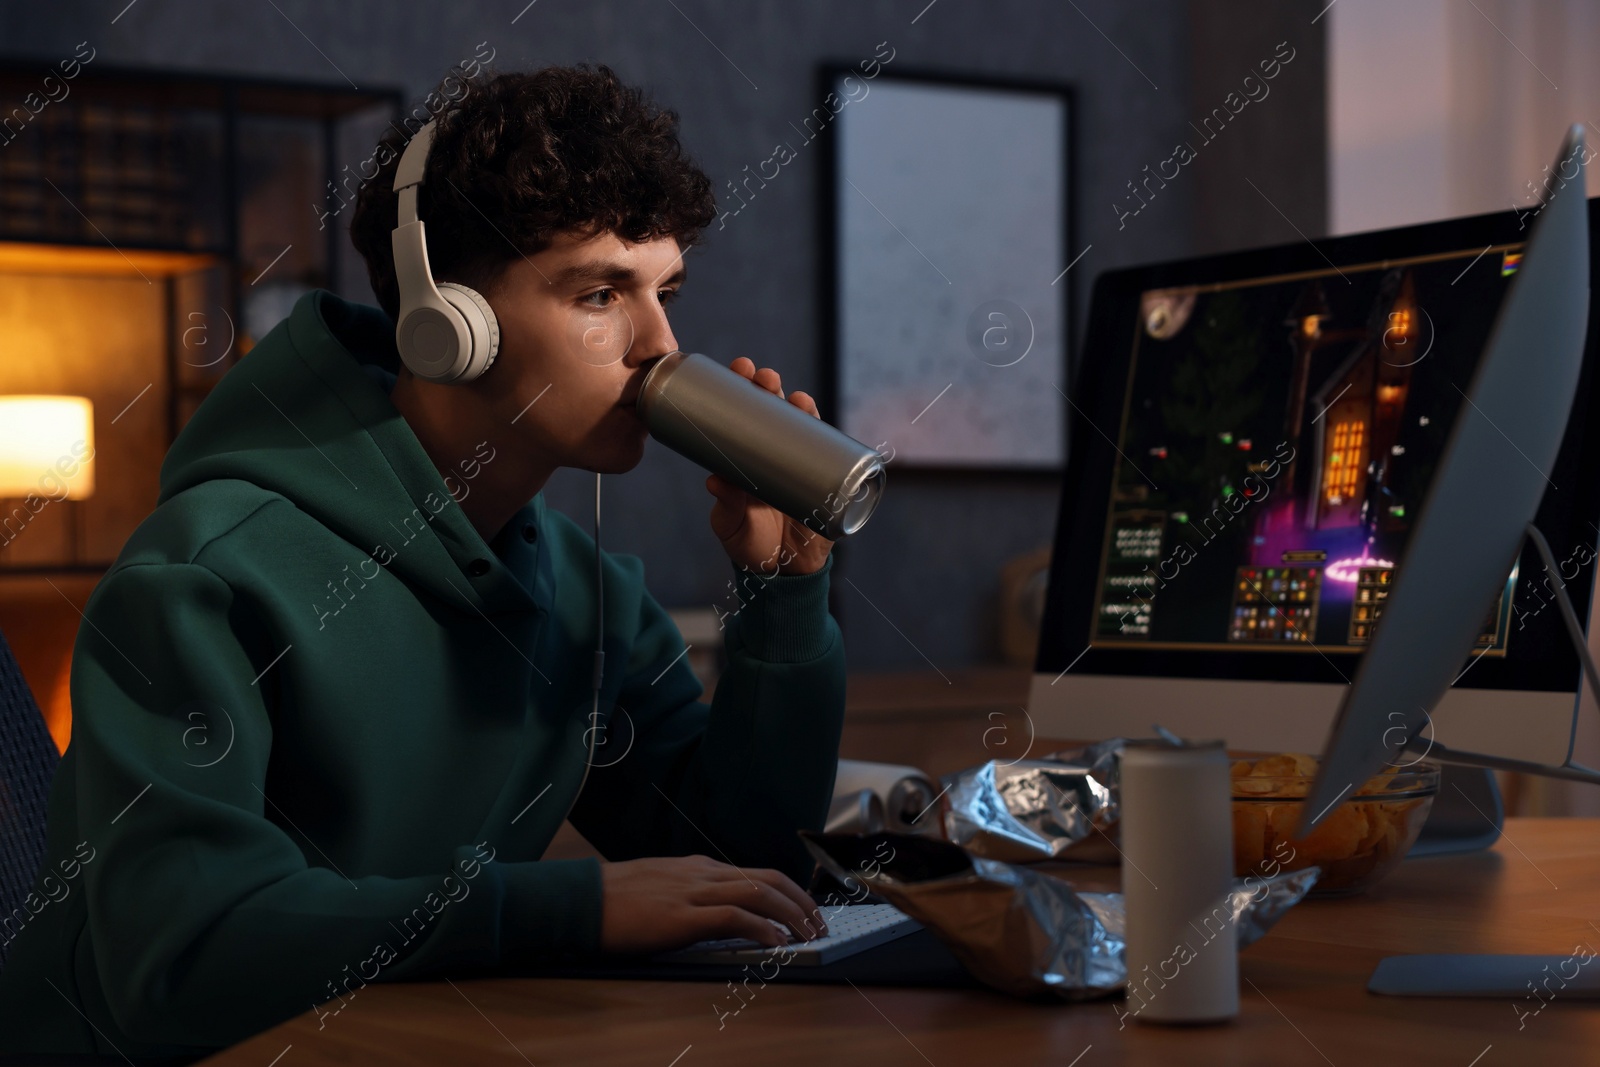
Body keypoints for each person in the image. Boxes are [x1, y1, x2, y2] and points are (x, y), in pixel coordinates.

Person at [0, 63, 846, 1061]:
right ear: (449, 326)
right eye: (599, 293)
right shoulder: (205, 574)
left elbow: (743, 876)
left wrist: (782, 595)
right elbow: (185, 952)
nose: (660, 345)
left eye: (664, 291)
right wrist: (566, 907)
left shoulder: (587, 594)